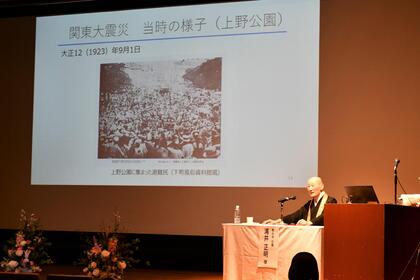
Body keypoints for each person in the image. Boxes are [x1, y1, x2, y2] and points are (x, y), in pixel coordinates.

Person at [263, 176, 337, 226]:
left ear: (321, 186)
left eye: (313, 186)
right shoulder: (309, 204)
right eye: (308, 186)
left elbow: (325, 216)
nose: (310, 189)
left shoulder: (331, 201)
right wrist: (279, 221)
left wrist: (309, 223)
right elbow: (295, 215)